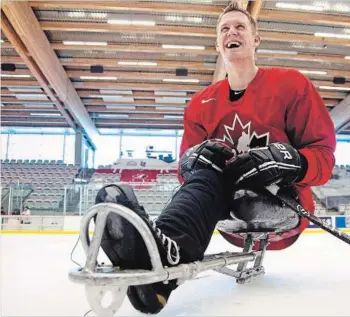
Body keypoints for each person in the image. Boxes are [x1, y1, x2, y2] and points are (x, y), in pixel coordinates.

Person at [95, 2, 336, 315]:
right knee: (206, 175)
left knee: (229, 186)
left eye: (239, 27)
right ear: (217, 43)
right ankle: (163, 257)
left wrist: (291, 160)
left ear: (256, 39)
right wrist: (195, 159)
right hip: (223, 212)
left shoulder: (292, 85)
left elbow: (323, 156)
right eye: (224, 28)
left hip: (278, 204)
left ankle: (162, 254)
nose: (231, 32)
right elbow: (187, 173)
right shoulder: (200, 103)